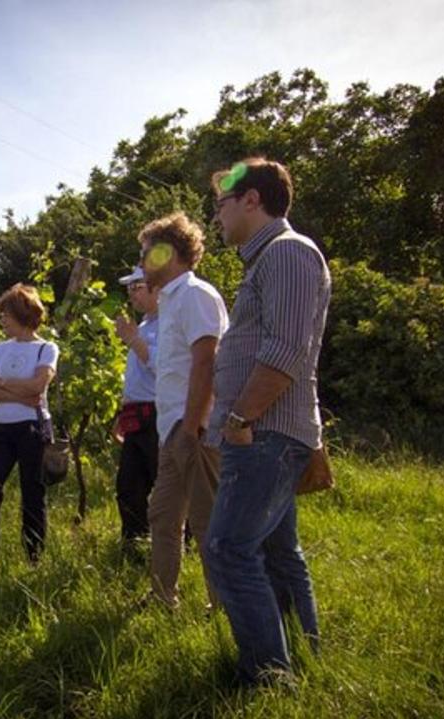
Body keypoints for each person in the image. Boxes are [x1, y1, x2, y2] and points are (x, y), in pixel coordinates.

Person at [202, 158, 331, 685]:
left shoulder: (288, 254)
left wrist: (238, 418)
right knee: (278, 554)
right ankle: (301, 658)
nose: (216, 218)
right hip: (266, 433)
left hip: (264, 435)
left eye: (221, 205)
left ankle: (268, 678)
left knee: (228, 549)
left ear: (251, 200)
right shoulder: (267, 262)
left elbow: (287, 351)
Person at [139, 212, 229, 608]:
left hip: (194, 429)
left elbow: (207, 363)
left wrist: (192, 428)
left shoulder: (195, 295)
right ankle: (163, 598)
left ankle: (224, 608)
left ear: (167, 253)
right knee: (162, 515)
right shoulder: (170, 303)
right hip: (172, 429)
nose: (141, 264)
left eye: (146, 254)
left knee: (208, 522)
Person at [0, 283, 59, 563]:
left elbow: (38, 386)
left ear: (21, 314)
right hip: (2, 428)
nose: (2, 320)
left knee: (33, 492)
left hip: (32, 429)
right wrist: (20, 394)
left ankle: (34, 556)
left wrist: (3, 383)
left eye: (5, 314)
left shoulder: (46, 348)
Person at [112, 266, 160, 550]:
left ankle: (186, 547)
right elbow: (136, 376)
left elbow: (164, 367)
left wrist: (133, 340)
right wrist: (123, 409)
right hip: (136, 415)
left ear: (157, 287)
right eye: (129, 288)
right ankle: (135, 544)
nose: (131, 295)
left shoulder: (169, 323)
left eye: (137, 287)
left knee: (167, 487)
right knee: (129, 486)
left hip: (159, 414)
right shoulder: (142, 326)